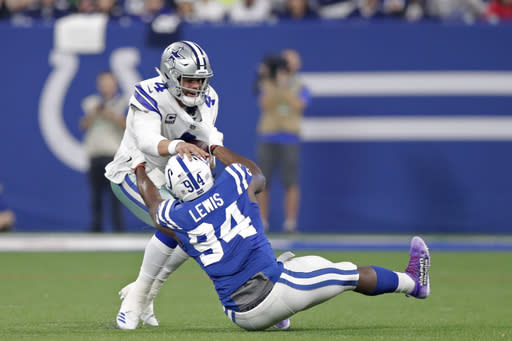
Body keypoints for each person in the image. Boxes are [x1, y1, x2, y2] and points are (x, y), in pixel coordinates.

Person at [130, 144, 431, 331]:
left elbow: (155, 207)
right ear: (206, 173)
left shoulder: (176, 217)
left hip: (235, 312)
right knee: (349, 273)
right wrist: (214, 148)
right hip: (270, 293)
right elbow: (256, 174)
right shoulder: (232, 183)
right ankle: (413, 283)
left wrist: (139, 166)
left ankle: (279, 318)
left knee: (308, 263)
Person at [105, 40, 224, 329]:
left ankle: (142, 292)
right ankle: (138, 297)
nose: (196, 87)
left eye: (200, 80)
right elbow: (146, 141)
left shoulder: (210, 99)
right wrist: (178, 147)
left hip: (175, 178)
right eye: (190, 79)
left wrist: (211, 154)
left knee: (196, 227)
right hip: (135, 172)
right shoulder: (148, 91)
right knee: (174, 226)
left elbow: (208, 134)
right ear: (171, 75)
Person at [256, 49, 311, 233]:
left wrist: (284, 87)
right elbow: (264, 104)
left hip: (290, 136)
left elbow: (298, 106)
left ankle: (290, 223)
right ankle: (262, 221)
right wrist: (273, 81)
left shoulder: (300, 86)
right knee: (263, 182)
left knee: (291, 182)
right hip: (269, 134)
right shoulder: (267, 83)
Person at [80, 71, 126, 233]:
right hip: (95, 155)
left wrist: (111, 115)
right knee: (96, 195)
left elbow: (127, 126)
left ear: (115, 85)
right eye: (103, 83)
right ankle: (96, 228)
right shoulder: (92, 103)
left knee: (116, 196)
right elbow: (83, 125)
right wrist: (96, 113)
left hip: (113, 156)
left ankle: (118, 229)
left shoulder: (123, 102)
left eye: (109, 83)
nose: (106, 87)